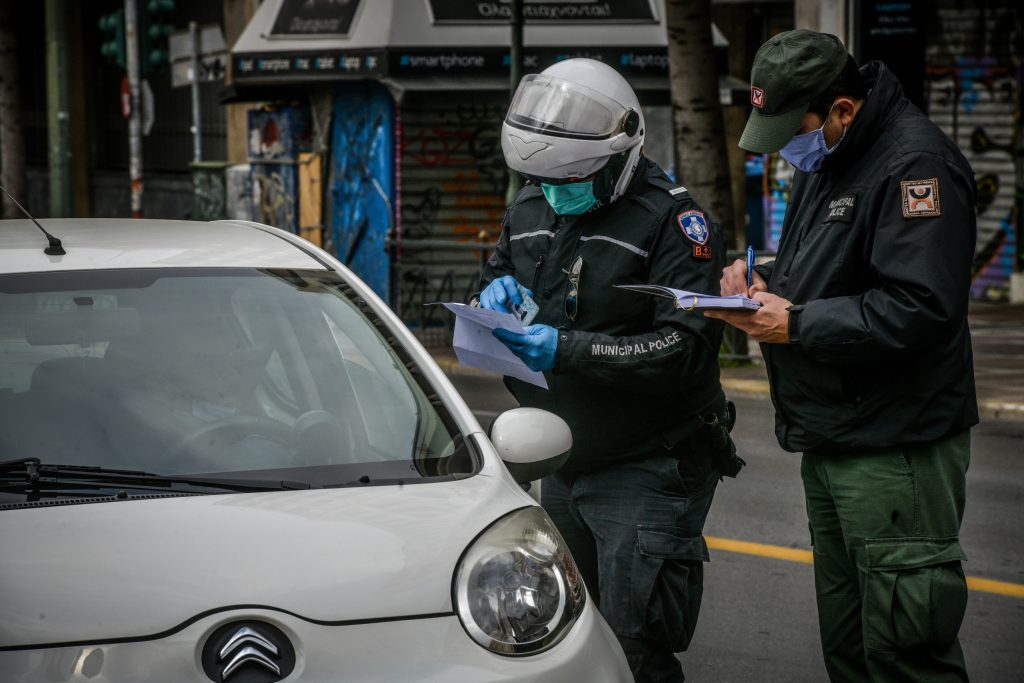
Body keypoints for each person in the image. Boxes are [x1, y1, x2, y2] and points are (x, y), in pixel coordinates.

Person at [710, 30, 977, 682]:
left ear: (843, 109)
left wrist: (796, 323)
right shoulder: (828, 158)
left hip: (894, 440)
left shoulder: (915, 165)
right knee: (853, 646)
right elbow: (827, 268)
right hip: (834, 433)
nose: (787, 150)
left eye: (792, 129)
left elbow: (920, 306)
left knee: (904, 650)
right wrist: (761, 283)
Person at [478, 57, 742, 682]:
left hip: (649, 460)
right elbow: (497, 270)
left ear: (621, 157)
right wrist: (493, 294)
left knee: (634, 646)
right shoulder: (533, 201)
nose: (555, 191)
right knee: (567, 638)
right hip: (563, 456)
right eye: (541, 179)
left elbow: (685, 348)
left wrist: (566, 349)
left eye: (572, 177)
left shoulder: (677, 226)